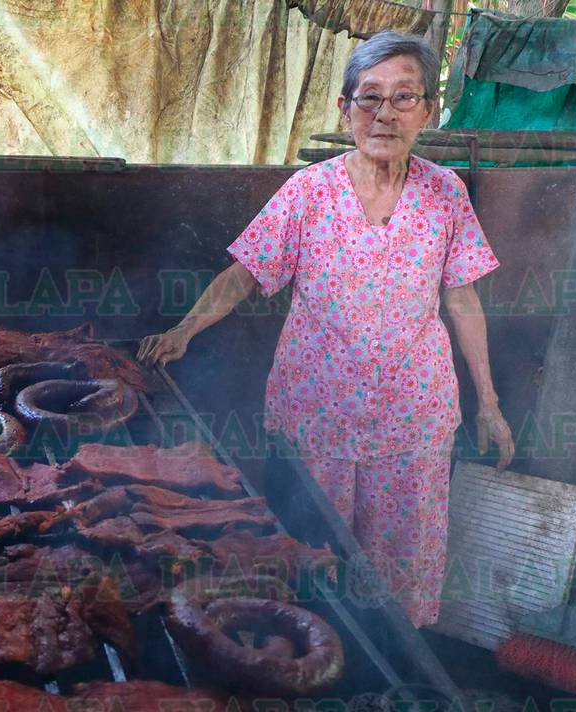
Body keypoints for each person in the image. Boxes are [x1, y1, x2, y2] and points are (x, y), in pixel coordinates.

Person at [137, 31, 515, 628]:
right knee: (312, 557)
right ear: (344, 109)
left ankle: (395, 665)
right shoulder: (309, 192)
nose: (384, 113)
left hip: (414, 416)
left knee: (400, 567)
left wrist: (488, 403)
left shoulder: (446, 194)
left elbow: (462, 295)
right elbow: (245, 274)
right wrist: (185, 330)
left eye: (403, 97)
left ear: (429, 111)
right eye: (368, 97)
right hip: (319, 412)